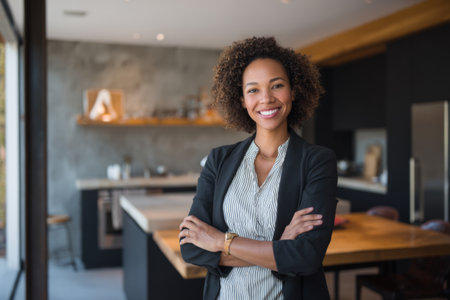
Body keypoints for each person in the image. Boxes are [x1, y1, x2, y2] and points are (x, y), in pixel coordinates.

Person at [179, 36, 337, 300]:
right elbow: (191, 248)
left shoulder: (317, 161)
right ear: (241, 98)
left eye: (277, 85)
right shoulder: (219, 161)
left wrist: (221, 241)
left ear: (293, 91)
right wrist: (279, 249)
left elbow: (306, 257)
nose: (266, 98)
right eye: (253, 90)